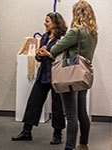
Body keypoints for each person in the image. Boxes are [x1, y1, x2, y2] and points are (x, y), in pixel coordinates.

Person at [42, 1, 98, 150]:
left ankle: (69, 147)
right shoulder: (93, 33)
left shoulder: (75, 32)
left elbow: (54, 49)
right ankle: (83, 143)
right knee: (82, 113)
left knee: (71, 115)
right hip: (83, 74)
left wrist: (61, 44)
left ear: (76, 14)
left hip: (70, 75)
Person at [12, 12, 68, 145]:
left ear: (55, 23)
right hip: (43, 74)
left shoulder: (63, 39)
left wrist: (48, 53)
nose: (45, 23)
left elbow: (63, 58)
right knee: (33, 102)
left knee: (57, 106)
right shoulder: (44, 37)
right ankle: (26, 132)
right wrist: (39, 54)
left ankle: (57, 134)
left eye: (47, 21)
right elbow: (38, 58)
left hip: (56, 75)